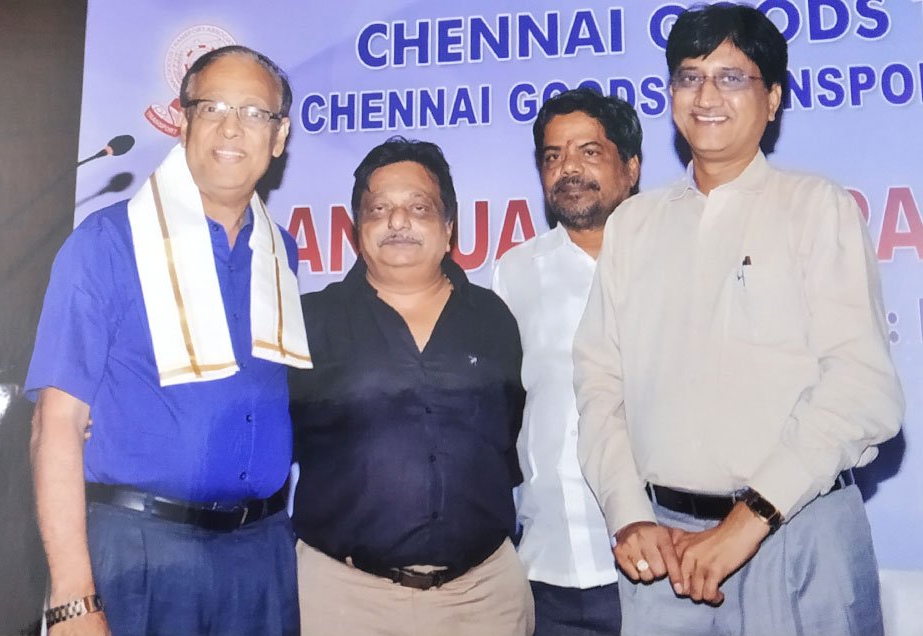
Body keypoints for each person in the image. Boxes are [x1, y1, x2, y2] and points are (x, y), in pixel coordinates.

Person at [572, 5, 904, 636]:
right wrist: (628, 514)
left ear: (772, 98)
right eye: (689, 77)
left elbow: (861, 390)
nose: (706, 96)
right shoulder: (634, 226)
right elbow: (598, 385)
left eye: (731, 77)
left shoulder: (816, 208)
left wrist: (748, 521)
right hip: (665, 553)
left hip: (798, 534)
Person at [26, 45, 309, 635]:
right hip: (139, 554)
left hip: (259, 559)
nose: (231, 128)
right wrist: (72, 598)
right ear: (183, 122)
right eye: (213, 108)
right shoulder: (108, 242)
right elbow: (57, 422)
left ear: (279, 136)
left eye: (254, 112)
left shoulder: (280, 252)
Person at [289, 136, 534, 636]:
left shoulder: (492, 319)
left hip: (482, 599)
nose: (397, 221)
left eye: (418, 207)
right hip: (345, 600)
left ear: (449, 226)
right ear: (357, 227)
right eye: (379, 208)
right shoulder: (309, 323)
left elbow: (508, 434)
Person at [492, 88, 641, 636]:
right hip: (545, 569)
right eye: (553, 156)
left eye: (589, 152)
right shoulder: (514, 273)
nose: (568, 169)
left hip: (658, 568)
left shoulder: (673, 261)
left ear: (631, 167)